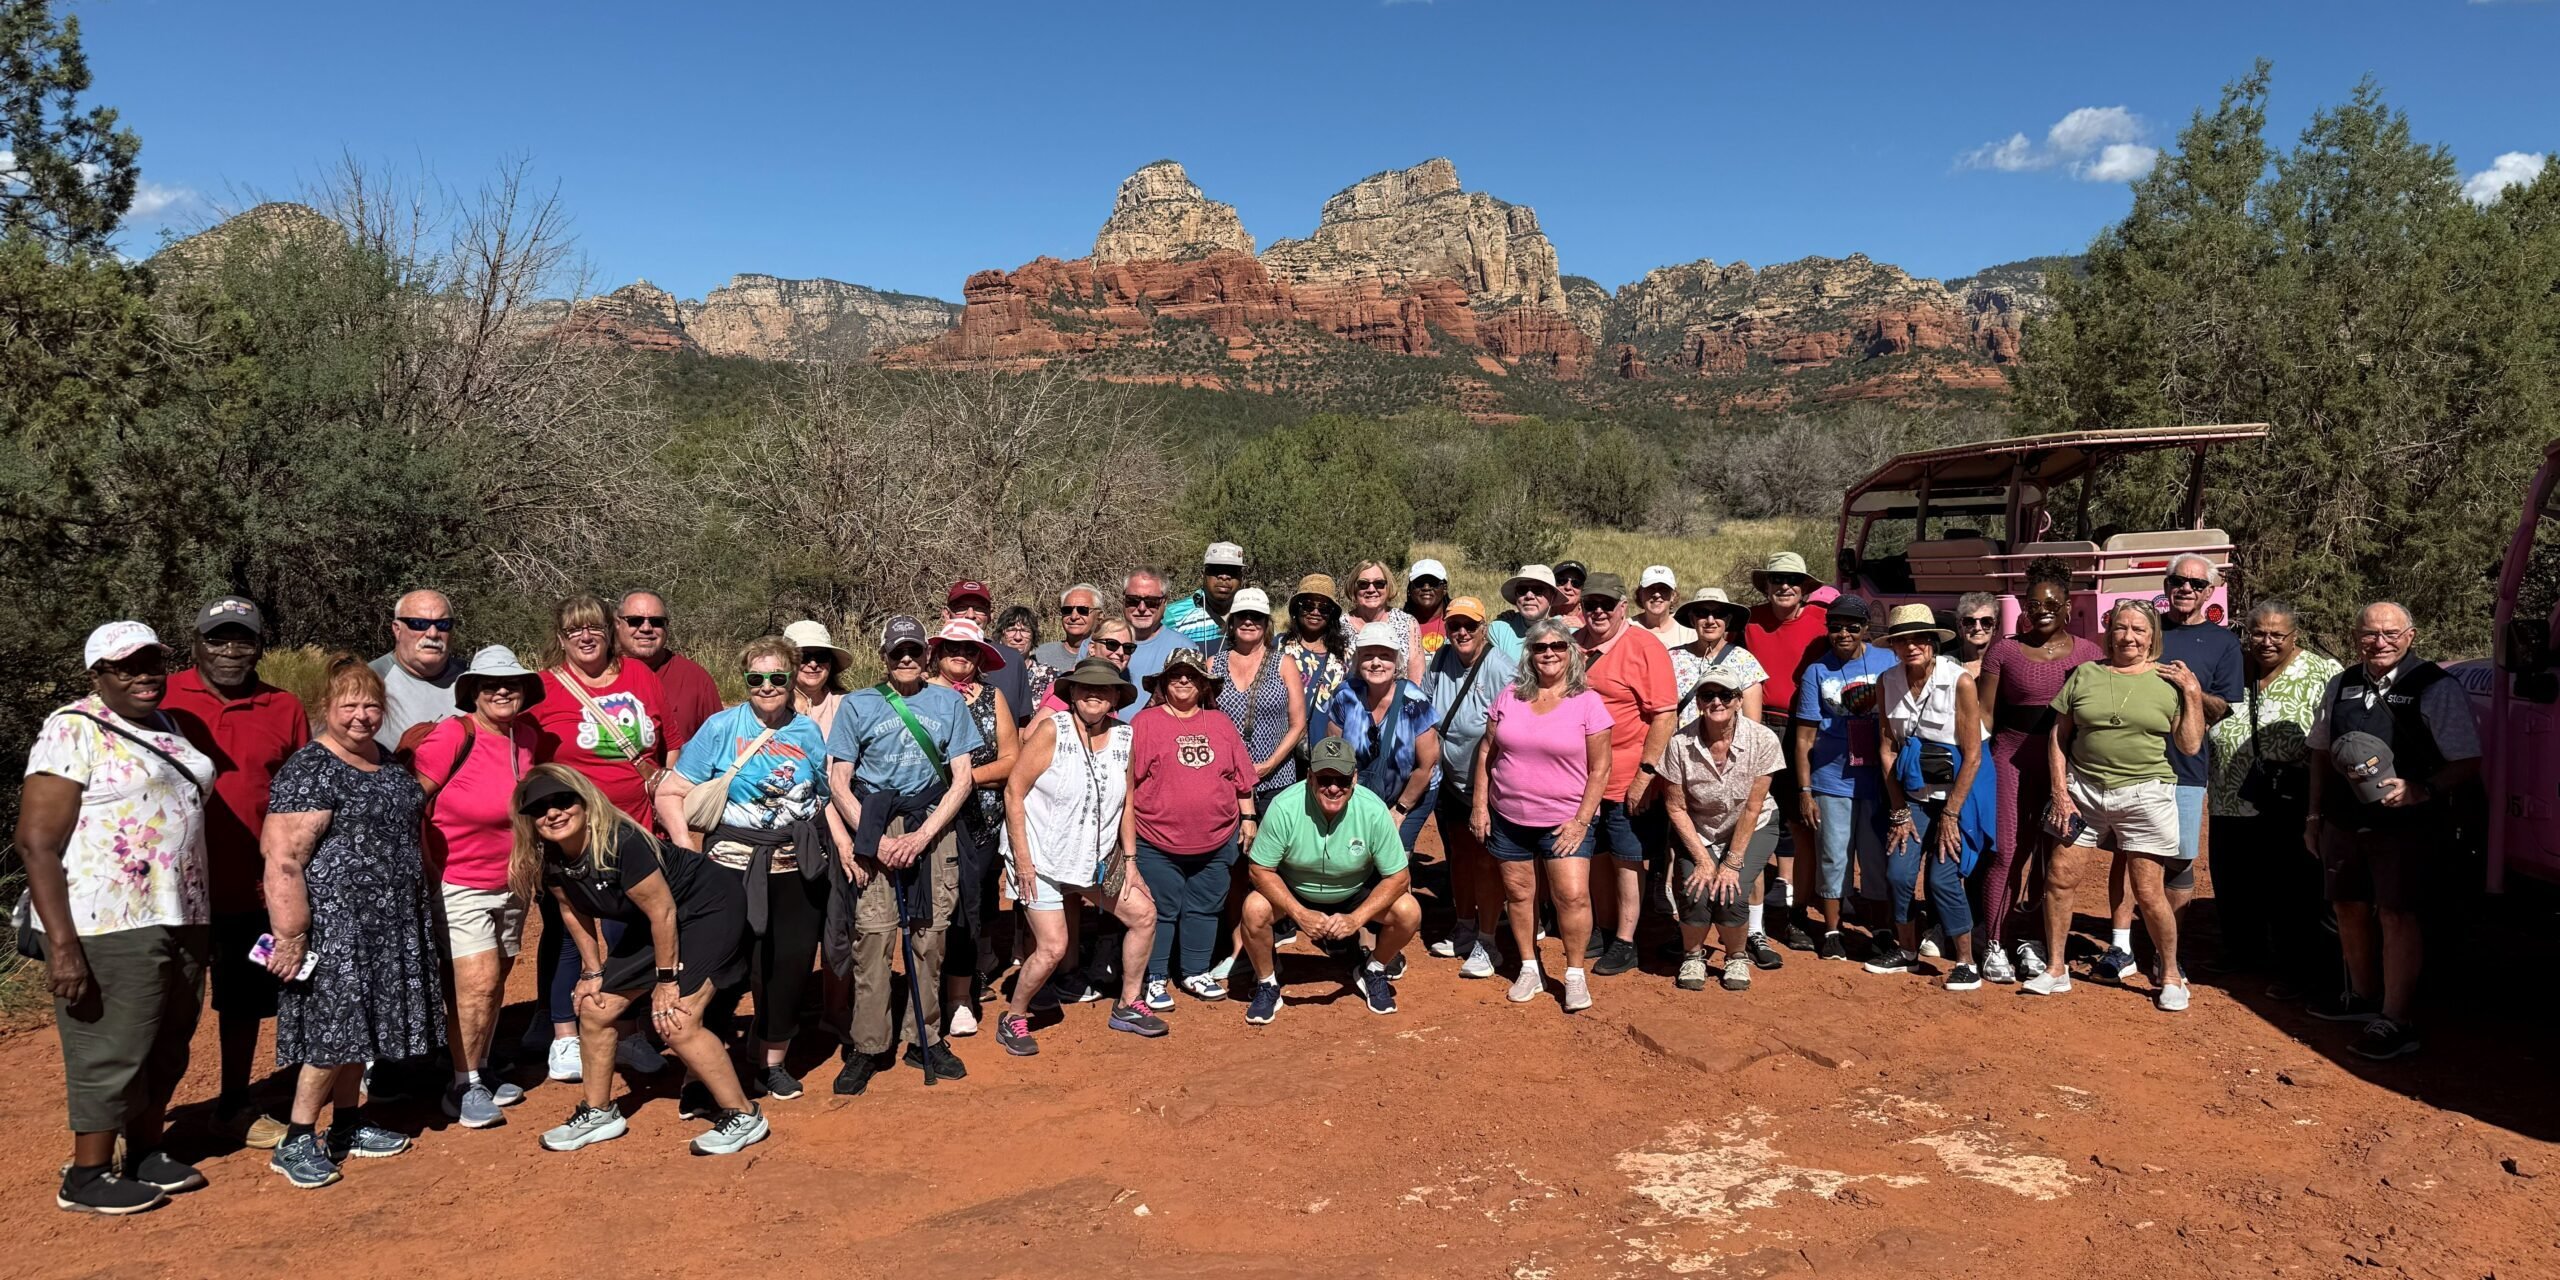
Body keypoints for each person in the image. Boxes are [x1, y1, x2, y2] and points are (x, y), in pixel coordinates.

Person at [19, 622, 217, 1215]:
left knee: (167, 1039)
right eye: (126, 666)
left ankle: (146, 1151)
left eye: (152, 662)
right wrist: (63, 944)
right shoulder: (71, 728)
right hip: (108, 917)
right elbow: (36, 843)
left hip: (181, 908)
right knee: (113, 1044)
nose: (144, 675)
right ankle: (86, 1175)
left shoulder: (168, 725)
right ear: (97, 673)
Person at [258, 656, 443, 1189]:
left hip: (388, 922)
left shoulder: (382, 758)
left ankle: (347, 1124)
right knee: (333, 1029)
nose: (361, 715)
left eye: (371, 705)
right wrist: (291, 934)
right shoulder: (310, 769)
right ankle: (297, 1138)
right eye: (349, 705)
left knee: (360, 1028)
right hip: (336, 924)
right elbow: (283, 858)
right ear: (326, 709)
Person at [513, 767, 765, 1155]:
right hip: (656, 917)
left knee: (676, 1019)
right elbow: (572, 913)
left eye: (563, 801)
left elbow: (663, 911)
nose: (553, 813)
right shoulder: (548, 857)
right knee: (596, 1011)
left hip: (707, 906)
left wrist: (667, 982)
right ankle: (600, 1113)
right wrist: (592, 971)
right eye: (540, 808)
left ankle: (744, 1114)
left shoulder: (621, 841)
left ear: (585, 803)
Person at [655, 636, 849, 1104]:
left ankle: (770, 1063)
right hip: (730, 870)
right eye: (756, 678)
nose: (767, 687)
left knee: (788, 967)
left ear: (792, 681)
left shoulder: (807, 733)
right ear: (744, 681)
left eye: (777, 678)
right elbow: (669, 793)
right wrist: (689, 853)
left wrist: (841, 845)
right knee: (719, 971)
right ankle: (701, 1074)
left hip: (794, 866)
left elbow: (822, 799)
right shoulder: (722, 727)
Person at [161, 596, 309, 1149]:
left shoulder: (283, 706)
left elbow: (298, 793)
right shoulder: (164, 697)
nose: (230, 651)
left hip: (253, 887)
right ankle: (136, 1120)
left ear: (260, 647)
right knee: (164, 1005)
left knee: (244, 1001)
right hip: (173, 890)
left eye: (242, 639)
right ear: (196, 643)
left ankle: (234, 1103)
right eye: (217, 639)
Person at [2303, 602, 2478, 1060]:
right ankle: (2362, 997)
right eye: (2369, 633)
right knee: (2347, 905)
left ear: (2411, 636)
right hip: (2344, 820)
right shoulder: (2340, 684)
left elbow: (2467, 760)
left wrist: (2423, 790)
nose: (2379, 641)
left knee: (2397, 914)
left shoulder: (2436, 688)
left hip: (2406, 825)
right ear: (2355, 636)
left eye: (2390, 633)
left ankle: (2396, 1019)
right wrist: (2315, 817)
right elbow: (2320, 753)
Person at [824, 616, 983, 1095]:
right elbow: (838, 779)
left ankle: (924, 1037)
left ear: (927, 655)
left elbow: (962, 777)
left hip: (931, 823)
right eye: (898, 653)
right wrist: (875, 841)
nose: (907, 659)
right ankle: (869, 1045)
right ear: (884, 657)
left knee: (929, 937)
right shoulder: (858, 705)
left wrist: (923, 835)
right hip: (876, 823)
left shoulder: (949, 702)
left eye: (915, 650)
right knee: (872, 938)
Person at [526, 594, 673, 1085]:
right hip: (572, 836)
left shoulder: (640, 676)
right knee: (575, 935)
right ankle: (565, 1035)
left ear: (609, 632)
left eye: (593, 628)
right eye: (573, 631)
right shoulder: (545, 688)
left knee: (628, 932)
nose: (585, 637)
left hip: (635, 828)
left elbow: (667, 744)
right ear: (561, 639)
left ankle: (628, 1030)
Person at [2031, 600, 2206, 1011]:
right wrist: (2060, 790)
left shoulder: (2169, 681)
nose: (2128, 637)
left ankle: (2169, 975)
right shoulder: (2086, 674)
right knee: (2059, 877)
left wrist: (2193, 694)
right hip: (2084, 791)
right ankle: (2056, 969)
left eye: (2139, 630)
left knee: (2148, 891)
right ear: (2109, 633)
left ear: (2152, 637)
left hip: (2145, 794)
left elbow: (2190, 744)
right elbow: (2059, 735)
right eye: (2121, 628)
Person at [997, 658, 1166, 1054]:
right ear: (1071, 693)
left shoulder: (1125, 736)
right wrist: (1023, 861)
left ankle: (1128, 1003)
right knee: (1053, 947)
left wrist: (1131, 861)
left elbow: (1127, 800)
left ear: (1115, 699)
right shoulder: (1052, 731)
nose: (1094, 694)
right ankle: (1014, 1016)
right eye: (1085, 687)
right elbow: (1013, 792)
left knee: (1143, 915)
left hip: (1092, 859)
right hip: (1041, 856)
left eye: (1104, 689)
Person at [2091, 555, 2242, 985]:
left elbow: (2224, 708)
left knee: (2177, 863)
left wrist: (2192, 689)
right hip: (2127, 767)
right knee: (2126, 853)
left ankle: (2166, 952)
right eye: (2179, 581)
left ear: (2210, 592)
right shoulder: (2146, 628)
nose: (2186, 589)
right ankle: (2120, 948)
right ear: (2166, 584)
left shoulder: (2222, 642)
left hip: (2185, 770)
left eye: (2196, 584)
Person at [414, 646, 543, 1129]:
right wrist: (425, 866)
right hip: (459, 881)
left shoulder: (527, 737)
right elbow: (412, 802)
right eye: (490, 685)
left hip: (512, 880)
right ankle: (464, 1084)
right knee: (479, 981)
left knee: (494, 983)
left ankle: (480, 1065)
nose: (503, 691)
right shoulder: (453, 735)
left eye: (511, 683)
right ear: (473, 692)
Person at [1472, 618, 1615, 1014]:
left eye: (1557, 646)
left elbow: (1600, 768)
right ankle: (1529, 968)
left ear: (1570, 653)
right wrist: (1481, 805)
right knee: (1519, 895)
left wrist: (1581, 821)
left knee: (1571, 896)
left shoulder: (1588, 702)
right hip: (1509, 815)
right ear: (1529, 654)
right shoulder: (1510, 696)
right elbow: (1487, 752)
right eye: (1539, 647)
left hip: (1565, 819)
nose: (1548, 653)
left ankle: (1574, 974)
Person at [1973, 558, 2101, 985]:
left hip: (2065, 768)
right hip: (2011, 760)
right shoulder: (2005, 650)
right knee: (2007, 852)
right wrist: (1973, 765)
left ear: (2068, 605)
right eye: (2033, 603)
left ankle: (2034, 942)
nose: (2042, 609)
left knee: (2053, 859)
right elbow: (1985, 715)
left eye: (2052, 602)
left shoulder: (2089, 655)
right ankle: (1994, 940)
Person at [2207, 600, 2342, 994]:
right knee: (2234, 879)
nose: (2267, 642)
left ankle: (2295, 967)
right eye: (2259, 633)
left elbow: (2331, 736)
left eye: (2277, 634)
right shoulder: (2236, 667)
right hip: (2229, 794)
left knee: (2292, 886)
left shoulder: (2321, 672)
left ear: (2293, 635)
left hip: (2288, 797)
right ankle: (2242, 952)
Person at [1237, 737, 1422, 1022]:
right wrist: (1299, 913)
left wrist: (1356, 919)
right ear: (1310, 776)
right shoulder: (1284, 806)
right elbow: (1259, 870)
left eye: (1342, 779)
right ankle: (1267, 983)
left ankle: (1373, 969)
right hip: (1295, 890)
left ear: (1355, 779)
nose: (1333, 787)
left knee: (1409, 911)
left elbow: (1398, 876)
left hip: (1354, 890)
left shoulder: (1373, 810)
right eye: (1324, 778)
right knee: (1254, 908)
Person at [1127, 648, 1256, 1005]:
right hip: (1157, 838)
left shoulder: (1220, 723)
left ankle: (1195, 971)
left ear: (1203, 684)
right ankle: (1155, 977)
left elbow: (1240, 779)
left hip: (1217, 838)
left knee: (1204, 906)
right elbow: (1128, 785)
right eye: (1176, 675)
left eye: (1192, 675)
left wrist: (1248, 818)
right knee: (1161, 909)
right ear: (1164, 683)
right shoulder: (1145, 723)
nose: (1184, 680)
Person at [1870, 607, 1989, 990]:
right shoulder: (1886, 681)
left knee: (1943, 877)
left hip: (1960, 791)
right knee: (1899, 872)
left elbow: (1973, 753)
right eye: (1902, 640)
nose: (1911, 646)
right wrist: (1899, 809)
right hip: (1915, 792)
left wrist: (1952, 812)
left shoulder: (1959, 681)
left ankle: (1967, 962)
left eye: (1919, 638)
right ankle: (1907, 953)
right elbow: (1887, 747)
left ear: (1933, 641)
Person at [1658, 662, 1784, 993]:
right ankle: (1693, 955)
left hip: (1754, 824)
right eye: (1708, 694)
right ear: (1698, 701)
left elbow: (1754, 806)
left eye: (1725, 695)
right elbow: (1675, 805)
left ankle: (1736, 955)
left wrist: (1730, 862)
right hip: (1698, 827)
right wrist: (1703, 858)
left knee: (1732, 890)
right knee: (1695, 889)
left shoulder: (1763, 739)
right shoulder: (1678, 744)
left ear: (1739, 700)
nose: (1717, 702)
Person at [1576, 572, 1676, 978]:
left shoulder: (1644, 646)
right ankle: (1601, 927)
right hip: (1580, 777)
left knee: (1627, 858)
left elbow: (1665, 715)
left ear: (1622, 607)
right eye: (1590, 605)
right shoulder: (1572, 644)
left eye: (1606, 604)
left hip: (1624, 773)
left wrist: (1646, 774)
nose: (1597, 611)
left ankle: (1626, 940)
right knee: (1596, 854)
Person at [922, 618, 1019, 1036]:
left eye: (969, 650)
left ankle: (961, 994)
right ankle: (925, 991)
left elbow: (1012, 758)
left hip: (979, 822)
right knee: (926, 905)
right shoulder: (919, 695)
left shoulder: (991, 697)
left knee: (968, 904)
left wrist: (965, 780)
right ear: (937, 653)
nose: (959, 655)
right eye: (950, 648)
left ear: (981, 657)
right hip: (925, 818)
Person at [1792, 594, 1894, 962]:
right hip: (1830, 779)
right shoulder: (1818, 672)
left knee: (1875, 857)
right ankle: (1832, 930)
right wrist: (1805, 790)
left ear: (1866, 628)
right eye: (1835, 627)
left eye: (1853, 626)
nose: (1844, 634)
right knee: (1834, 855)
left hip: (1879, 780)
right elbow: (1804, 737)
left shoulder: (1888, 662)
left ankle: (1882, 929)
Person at [1422, 596, 1516, 979]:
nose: (1462, 632)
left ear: (1484, 628)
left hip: (1489, 783)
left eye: (1470, 626)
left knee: (1485, 860)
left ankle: (1487, 939)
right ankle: (1463, 925)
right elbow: (1426, 711)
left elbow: (1510, 729)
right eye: (1455, 625)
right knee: (1459, 855)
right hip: (1450, 781)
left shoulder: (1500, 668)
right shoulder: (1440, 661)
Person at [1743, 551, 1831, 956]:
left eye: (1793, 580)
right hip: (1759, 724)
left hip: (1806, 727)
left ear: (1805, 588)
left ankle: (1798, 914)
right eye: (1777, 579)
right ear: (1766, 585)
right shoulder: (1750, 620)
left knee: (1801, 819)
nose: (1784, 586)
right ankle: (1749, 910)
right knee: (1756, 811)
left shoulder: (1820, 621)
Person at [1324, 620, 1444, 860]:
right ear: (1358, 660)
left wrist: (1399, 811)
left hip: (1413, 791)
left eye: (1384, 656)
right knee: (1358, 850)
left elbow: (1426, 766)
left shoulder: (1414, 702)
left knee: (1394, 855)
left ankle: (1399, 894)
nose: (1376, 663)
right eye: (1368, 655)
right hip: (1365, 789)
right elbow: (1334, 750)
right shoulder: (1346, 695)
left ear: (1396, 661)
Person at [1212, 587, 1307, 812]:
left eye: (1256, 616)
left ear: (1266, 623)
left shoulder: (1284, 664)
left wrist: (1269, 765)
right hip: (1226, 778)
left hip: (1276, 780)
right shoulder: (1213, 665)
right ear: (1232, 622)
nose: (1248, 621)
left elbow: (1298, 725)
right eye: (1242, 615)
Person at [615, 590, 721, 747]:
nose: (646, 628)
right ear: (617, 624)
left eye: (656, 621)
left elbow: (719, 743)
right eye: (635, 621)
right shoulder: (595, 674)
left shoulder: (694, 678)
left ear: (667, 626)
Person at [370, 588, 461, 750]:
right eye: (419, 624)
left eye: (442, 624)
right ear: (397, 630)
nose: (432, 633)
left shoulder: (475, 679)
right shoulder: (368, 680)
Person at [944, 580, 1033, 728]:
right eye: (962, 608)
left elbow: (1022, 723)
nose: (970, 615)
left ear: (991, 615)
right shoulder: (928, 657)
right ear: (946, 614)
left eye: (979, 609)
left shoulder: (1011, 660)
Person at [1673, 588, 1767, 726]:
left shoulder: (1746, 662)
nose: (1710, 620)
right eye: (1702, 613)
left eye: (1719, 614)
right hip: (1680, 745)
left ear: (1727, 620)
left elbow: (1752, 725)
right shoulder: (1672, 658)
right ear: (1693, 620)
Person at [1283, 573, 1351, 736]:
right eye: (1307, 606)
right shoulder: (1277, 647)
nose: (1315, 612)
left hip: (1325, 750)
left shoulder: (1345, 655)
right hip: (1279, 745)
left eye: (1324, 608)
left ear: (1332, 615)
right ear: (1296, 609)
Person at [1345, 559, 1427, 683]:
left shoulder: (1408, 623)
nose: (1371, 589)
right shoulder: (1339, 626)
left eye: (1379, 583)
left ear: (1388, 587)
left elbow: (1417, 679)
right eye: (1363, 584)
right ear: (1353, 588)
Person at [1041, 616, 1137, 719]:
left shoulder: (1114, 684)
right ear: (1092, 648)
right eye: (1112, 644)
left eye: (1127, 647)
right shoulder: (1075, 684)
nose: (1120, 653)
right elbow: (1034, 730)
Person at [1164, 541, 1247, 647]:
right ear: (1202, 575)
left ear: (1241, 578)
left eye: (1232, 571)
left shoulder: (1254, 617)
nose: (1224, 577)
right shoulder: (1173, 615)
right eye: (1216, 570)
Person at [784, 619, 853, 741]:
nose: (813, 664)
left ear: (831, 663)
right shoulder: (772, 707)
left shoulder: (848, 705)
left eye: (822, 656)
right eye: (803, 657)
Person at [1491, 564, 1565, 661]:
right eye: (1522, 590)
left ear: (1553, 596)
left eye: (1538, 590)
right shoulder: (1499, 630)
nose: (1529, 596)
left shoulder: (1567, 629)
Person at [1031, 583, 1104, 673]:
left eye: (1083, 610)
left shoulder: (1110, 656)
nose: (1074, 617)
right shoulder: (1039, 655)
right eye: (1067, 610)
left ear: (1099, 616)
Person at [995, 605, 1055, 710]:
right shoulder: (989, 673)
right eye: (1011, 629)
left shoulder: (1050, 676)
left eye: (1025, 630)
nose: (1018, 637)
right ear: (1001, 635)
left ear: (1033, 636)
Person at [1635, 565, 1697, 652]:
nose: (1657, 595)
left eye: (1663, 589)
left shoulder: (1688, 629)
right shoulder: (1628, 628)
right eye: (1651, 588)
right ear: (1640, 594)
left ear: (1673, 596)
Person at [1406, 558, 1452, 662]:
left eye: (1433, 583)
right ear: (1410, 589)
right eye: (1419, 583)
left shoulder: (1458, 622)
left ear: (1444, 588)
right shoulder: (1399, 624)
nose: (1426, 588)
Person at [1951, 592, 2001, 678]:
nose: (1977, 628)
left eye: (1986, 622)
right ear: (1960, 628)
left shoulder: (2004, 663)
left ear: (1995, 628)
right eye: (1969, 622)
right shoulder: (1946, 663)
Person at [1554, 560, 1591, 631]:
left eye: (1576, 583)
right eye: (1562, 581)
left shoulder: (1591, 616)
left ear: (1583, 589)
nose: (1568, 587)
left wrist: (1585, 629)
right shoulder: (1542, 611)